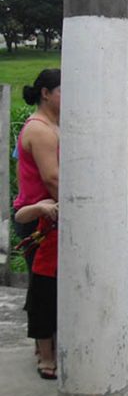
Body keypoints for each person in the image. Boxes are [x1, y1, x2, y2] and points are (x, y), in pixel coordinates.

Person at [15, 69, 61, 374]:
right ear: (45, 93)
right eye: (62, 91)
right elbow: (53, 178)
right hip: (39, 217)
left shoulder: (53, 125)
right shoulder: (41, 130)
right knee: (45, 287)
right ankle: (46, 356)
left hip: (50, 215)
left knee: (48, 285)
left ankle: (42, 346)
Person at [16, 199, 59, 379]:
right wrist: (41, 208)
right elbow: (20, 216)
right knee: (42, 314)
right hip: (46, 268)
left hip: (73, 271)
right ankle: (47, 358)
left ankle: (54, 352)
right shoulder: (49, 203)